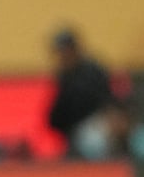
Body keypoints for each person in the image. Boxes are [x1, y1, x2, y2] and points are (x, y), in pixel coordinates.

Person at [46, 27, 114, 157]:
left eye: (65, 50)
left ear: (74, 49)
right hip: (74, 132)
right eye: (59, 52)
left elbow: (107, 102)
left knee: (94, 139)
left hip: (98, 124)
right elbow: (56, 116)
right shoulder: (64, 76)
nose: (62, 56)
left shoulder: (92, 71)